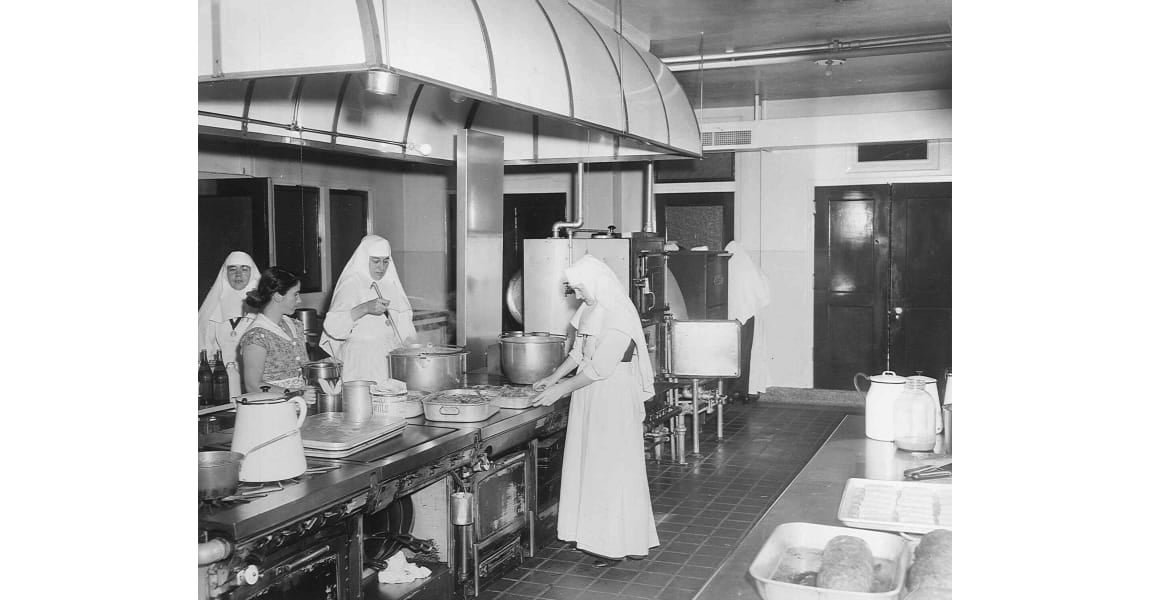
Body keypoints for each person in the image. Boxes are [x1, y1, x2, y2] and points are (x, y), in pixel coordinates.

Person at [530, 254, 660, 566]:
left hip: (612, 394)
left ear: (596, 284)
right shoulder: (592, 308)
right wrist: (553, 377)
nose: (576, 295)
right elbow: (579, 352)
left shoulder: (619, 316)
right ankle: (595, 537)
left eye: (579, 288)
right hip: (589, 393)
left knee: (609, 466)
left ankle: (613, 542)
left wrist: (561, 389)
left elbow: (601, 368)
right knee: (590, 460)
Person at [320, 235, 418, 384]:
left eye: (386, 261)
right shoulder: (351, 284)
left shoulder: (391, 284)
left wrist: (414, 350)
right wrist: (365, 308)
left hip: (388, 356)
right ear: (364, 259)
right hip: (359, 358)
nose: (381, 267)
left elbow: (404, 328)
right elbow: (333, 327)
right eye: (376, 261)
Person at [238, 267, 313, 399]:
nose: (299, 300)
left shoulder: (296, 326)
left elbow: (302, 368)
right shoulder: (256, 336)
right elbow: (253, 385)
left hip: (300, 405)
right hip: (273, 408)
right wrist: (295, 393)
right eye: (295, 294)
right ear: (278, 296)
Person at [725, 240, 772, 401]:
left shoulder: (730, 267)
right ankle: (745, 391)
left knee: (733, 356)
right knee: (745, 355)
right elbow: (763, 293)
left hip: (734, 319)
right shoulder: (750, 267)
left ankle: (730, 392)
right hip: (749, 317)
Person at [198, 251, 261, 357]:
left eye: (244, 269)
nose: (238, 274)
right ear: (225, 274)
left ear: (252, 273)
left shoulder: (264, 307)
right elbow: (204, 346)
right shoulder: (213, 307)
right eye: (232, 269)